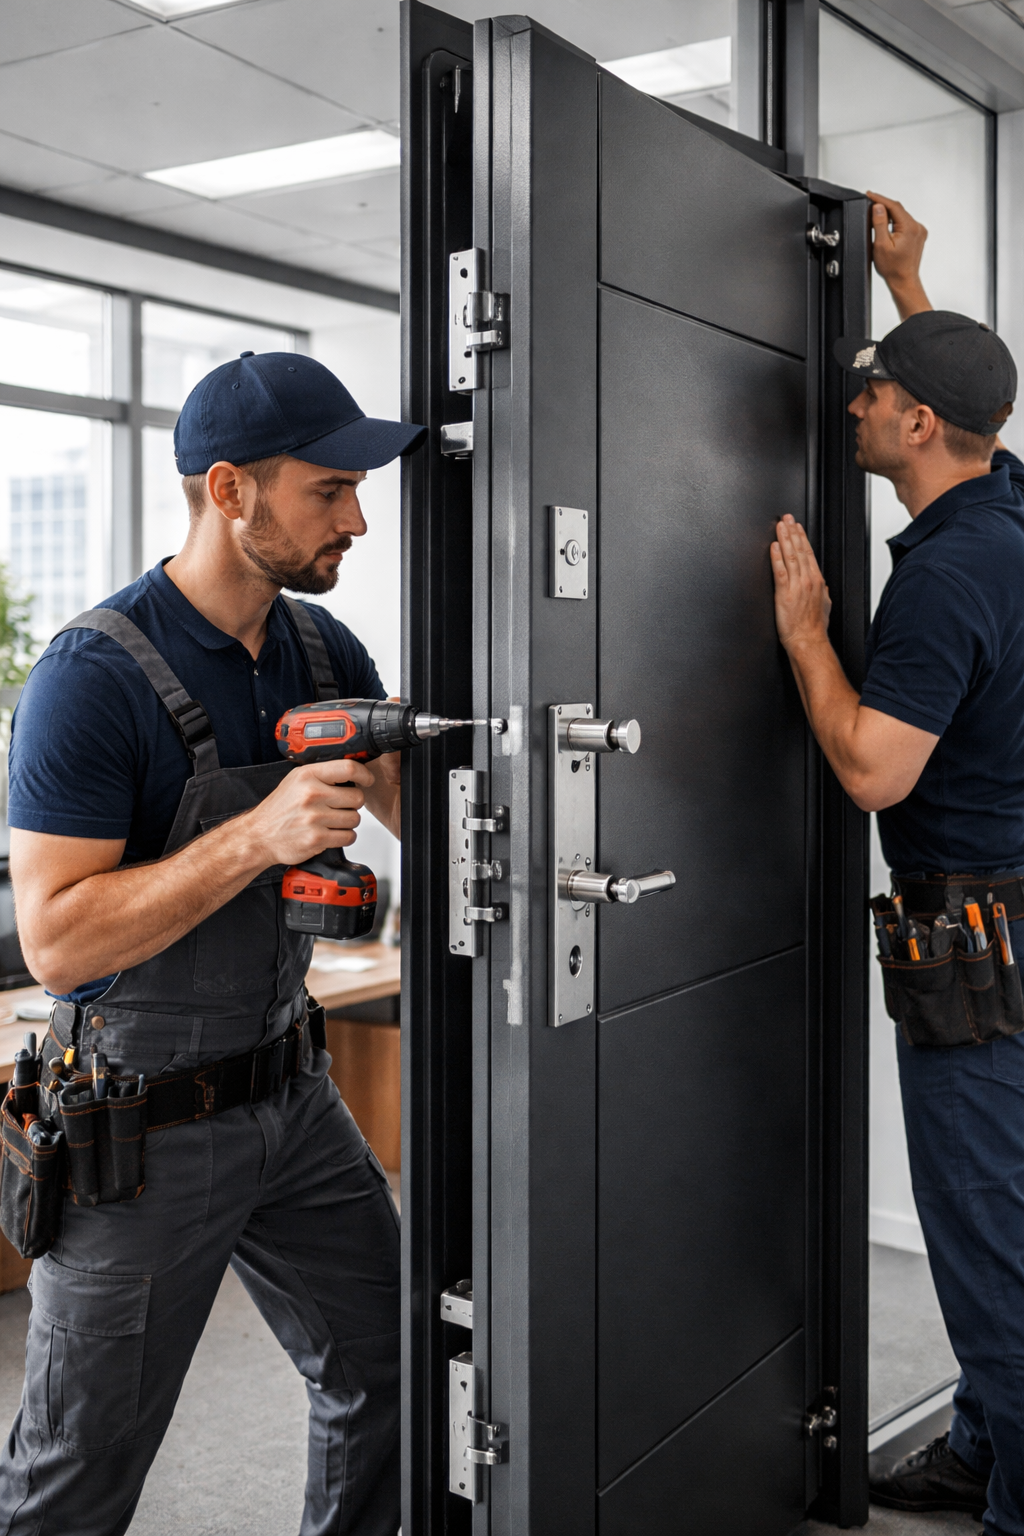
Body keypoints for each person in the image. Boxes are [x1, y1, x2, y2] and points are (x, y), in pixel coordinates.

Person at [0, 351, 425, 1534]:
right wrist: (255, 836)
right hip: (137, 1123)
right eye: (326, 490)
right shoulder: (91, 677)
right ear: (229, 490)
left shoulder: (324, 652)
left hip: (292, 1097)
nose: (358, 519)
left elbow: (420, 815)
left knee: (388, 1365)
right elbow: (56, 943)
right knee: (77, 1469)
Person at [771, 193, 1023, 1534]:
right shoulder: (1010, 512)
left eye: (876, 388)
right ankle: (982, 1448)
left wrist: (811, 630)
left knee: (992, 1255)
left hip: (980, 963)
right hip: (1013, 928)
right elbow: (980, 415)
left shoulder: (940, 582)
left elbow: (874, 771)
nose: (856, 399)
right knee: (1006, 1235)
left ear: (918, 426)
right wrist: (910, 286)